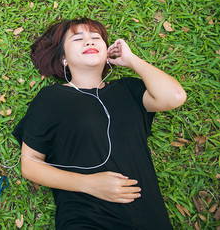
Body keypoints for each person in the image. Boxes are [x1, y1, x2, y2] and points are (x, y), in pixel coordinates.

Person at [12, 17, 186, 229]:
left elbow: (175, 96)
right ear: (63, 58)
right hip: (88, 218)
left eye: (96, 38)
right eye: (78, 39)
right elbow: (30, 165)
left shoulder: (128, 90)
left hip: (148, 218)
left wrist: (131, 59)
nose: (89, 41)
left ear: (107, 53)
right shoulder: (52, 97)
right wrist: (89, 183)